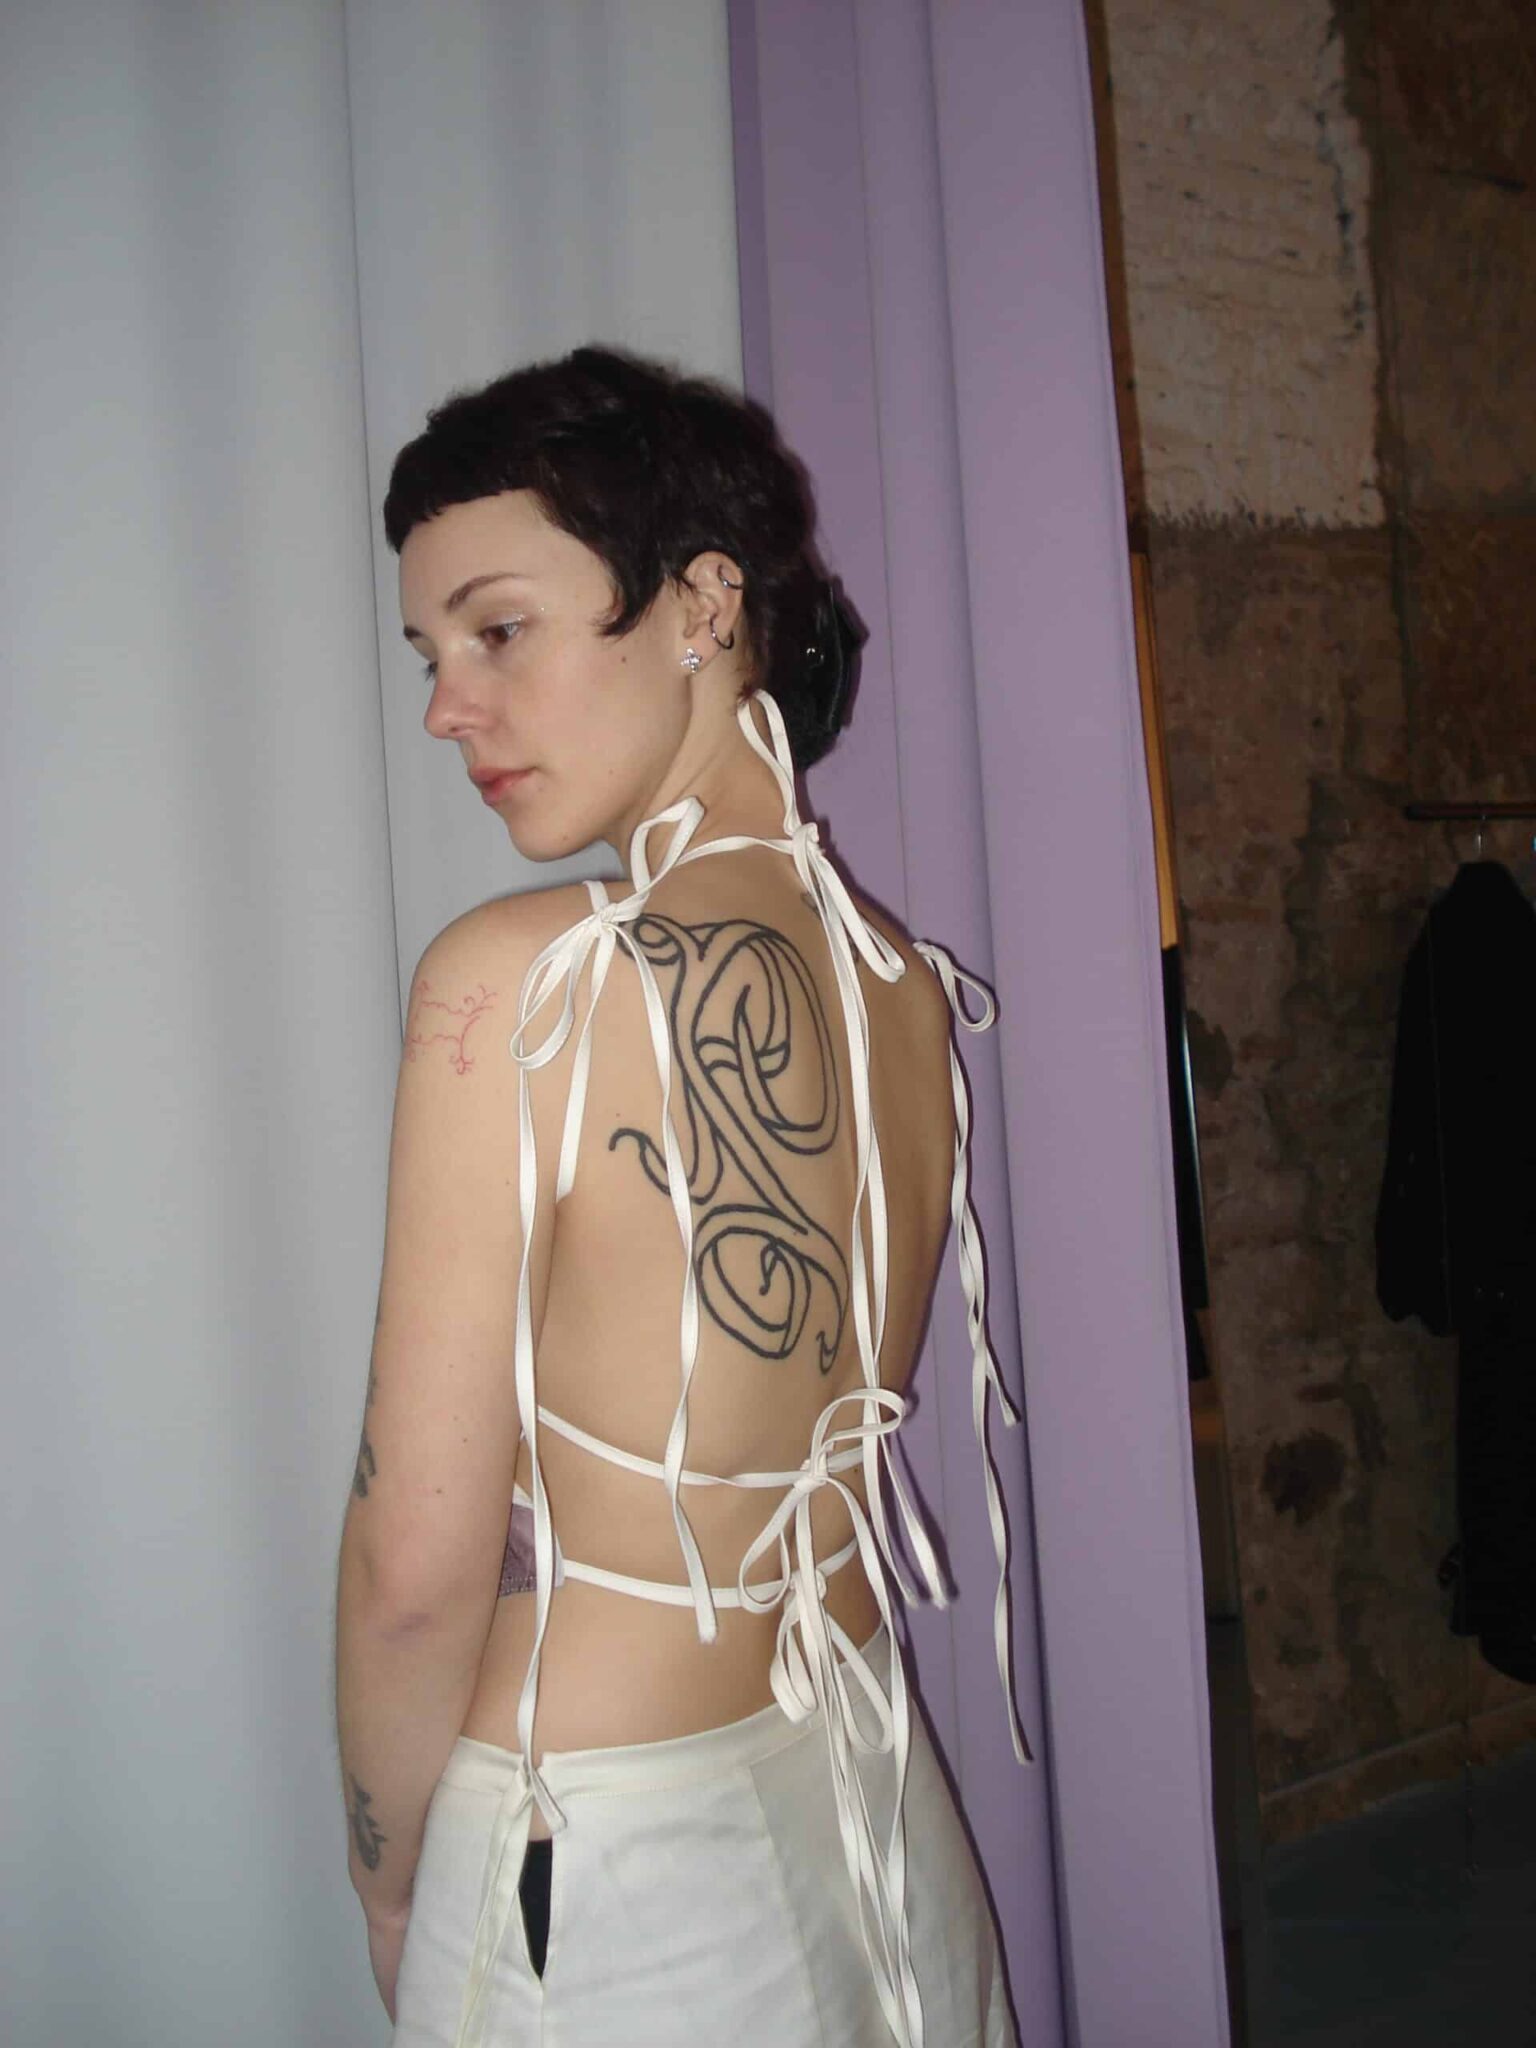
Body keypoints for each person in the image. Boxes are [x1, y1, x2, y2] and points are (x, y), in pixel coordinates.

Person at [333, 344, 1032, 2047]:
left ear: (705, 605)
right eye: (431, 655)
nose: (445, 708)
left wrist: (390, 1881)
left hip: (604, 1855)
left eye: (499, 631)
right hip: (873, 1803)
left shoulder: (522, 981)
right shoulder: (904, 990)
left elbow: (416, 1562)